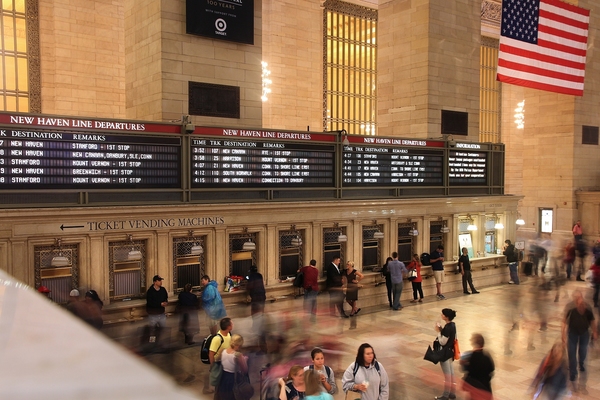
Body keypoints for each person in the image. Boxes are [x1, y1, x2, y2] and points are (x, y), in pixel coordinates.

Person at [562, 290, 597, 393]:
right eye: (576, 299)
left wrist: (594, 332)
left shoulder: (587, 307)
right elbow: (564, 321)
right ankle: (573, 377)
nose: (579, 302)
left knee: (582, 355)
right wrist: (562, 334)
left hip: (584, 334)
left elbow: (592, 320)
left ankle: (581, 368)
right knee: (572, 356)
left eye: (580, 298)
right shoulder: (570, 307)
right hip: (572, 334)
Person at [460, 333, 494, 400]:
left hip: (475, 389)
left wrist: (464, 363)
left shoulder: (472, 356)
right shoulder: (487, 356)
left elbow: (469, 370)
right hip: (486, 387)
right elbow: (492, 369)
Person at [214, 333, 248, 400]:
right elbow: (245, 370)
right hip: (233, 379)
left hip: (223, 378)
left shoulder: (222, 350)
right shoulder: (238, 355)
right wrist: (245, 360)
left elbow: (217, 360)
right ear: (239, 345)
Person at [207, 317, 234, 394]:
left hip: (226, 363)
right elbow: (211, 354)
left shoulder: (229, 334)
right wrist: (212, 366)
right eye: (232, 323)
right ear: (228, 326)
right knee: (218, 385)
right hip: (219, 364)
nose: (233, 324)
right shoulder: (217, 339)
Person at [435, 308, 457, 400]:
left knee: (447, 375)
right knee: (451, 373)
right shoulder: (453, 325)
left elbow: (442, 342)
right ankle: (452, 393)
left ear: (446, 317)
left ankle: (445, 395)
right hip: (450, 352)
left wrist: (439, 332)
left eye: (443, 314)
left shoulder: (447, 328)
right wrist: (441, 329)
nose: (441, 315)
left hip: (445, 353)